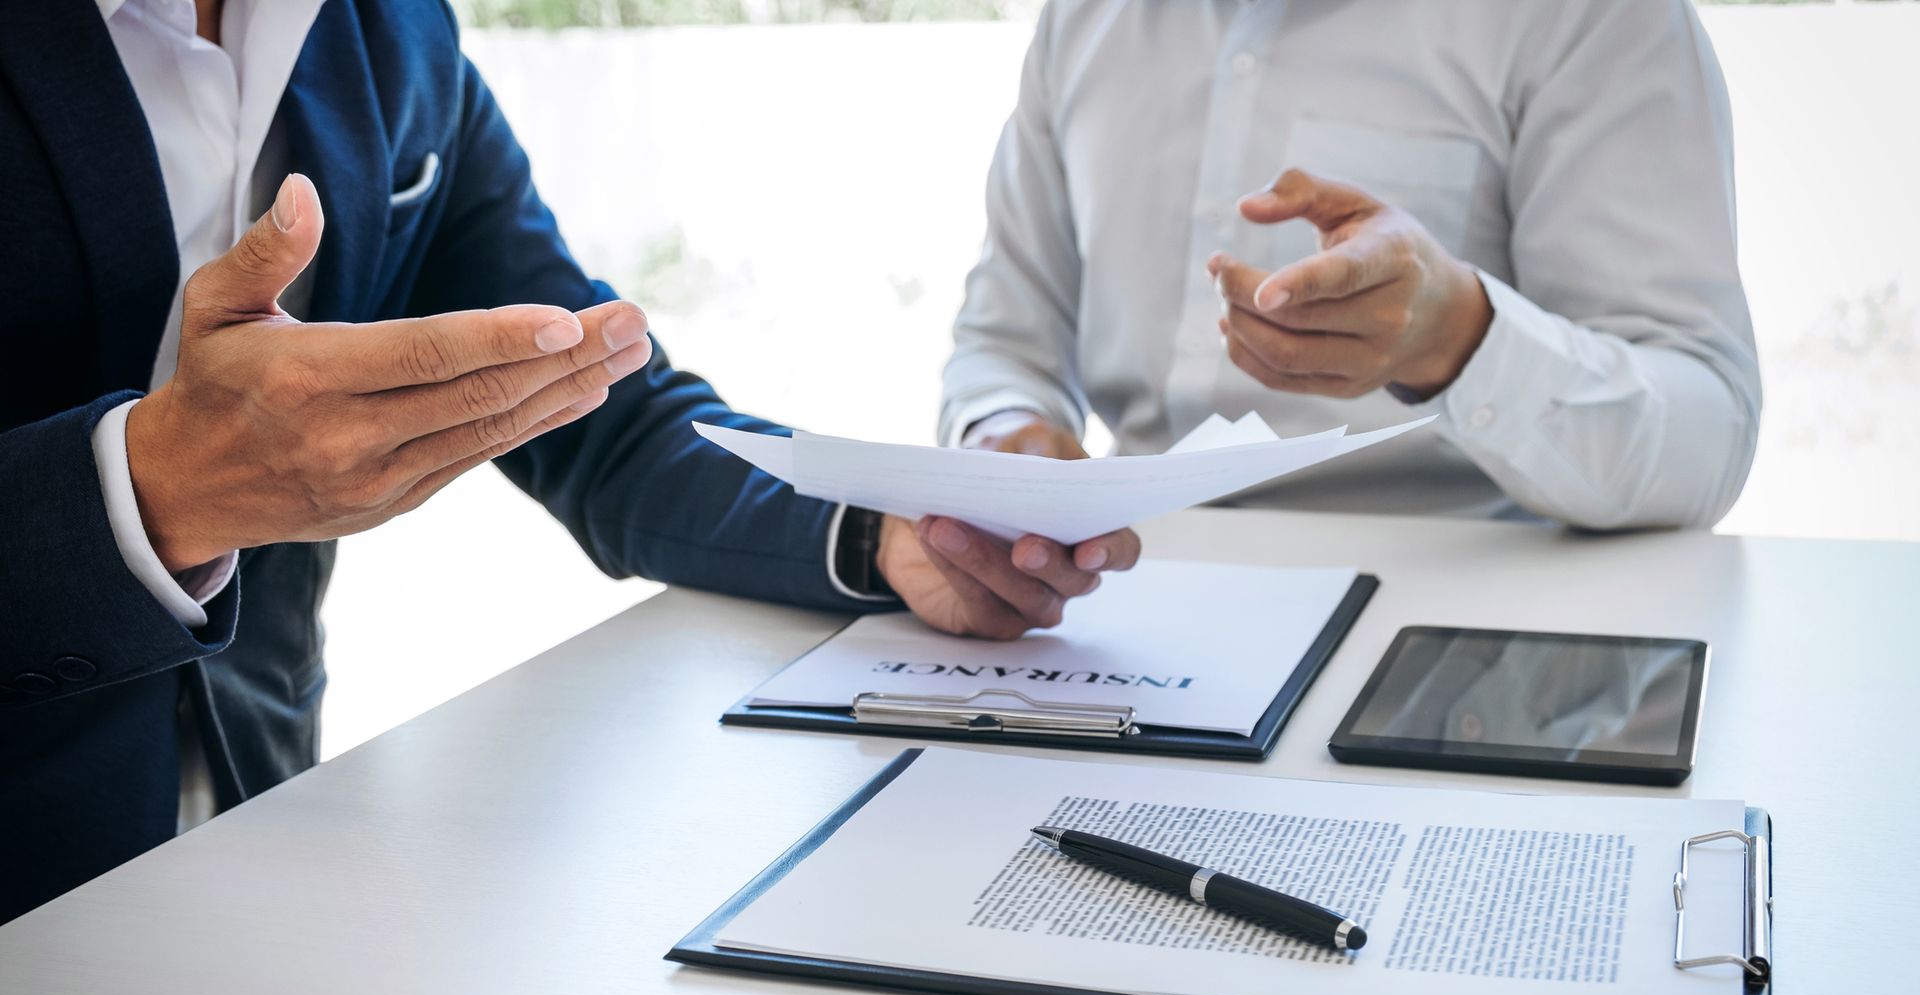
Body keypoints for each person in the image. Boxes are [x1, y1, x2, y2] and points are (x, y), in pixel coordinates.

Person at [0, 0, 1136, 923]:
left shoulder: (393, 36)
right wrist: (151, 496)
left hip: (261, 839)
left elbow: (611, 420)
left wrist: (885, 531)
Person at [933, 0, 1762, 531]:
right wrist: (1005, 436)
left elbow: (1707, 435)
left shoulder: (1593, 18)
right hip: (1121, 610)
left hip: (1469, 633)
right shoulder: (1080, 21)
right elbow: (1006, 345)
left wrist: (1463, 339)